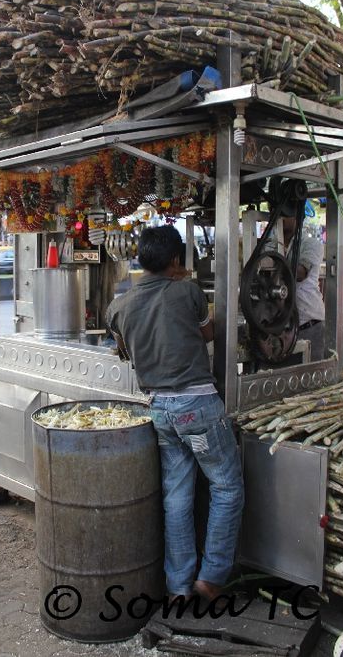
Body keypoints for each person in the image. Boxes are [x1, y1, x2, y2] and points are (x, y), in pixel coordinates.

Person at [106, 225, 244, 602]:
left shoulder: (119, 305)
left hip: (159, 410)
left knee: (177, 496)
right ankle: (212, 577)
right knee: (227, 487)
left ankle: (179, 587)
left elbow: (123, 351)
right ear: (175, 259)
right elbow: (206, 334)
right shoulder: (188, 291)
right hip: (195, 405)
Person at [282, 217, 325, 362]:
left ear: (296, 216)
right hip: (283, 327)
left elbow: (300, 273)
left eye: (283, 214)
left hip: (308, 325)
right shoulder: (272, 245)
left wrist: (272, 263)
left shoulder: (311, 244)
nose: (279, 218)